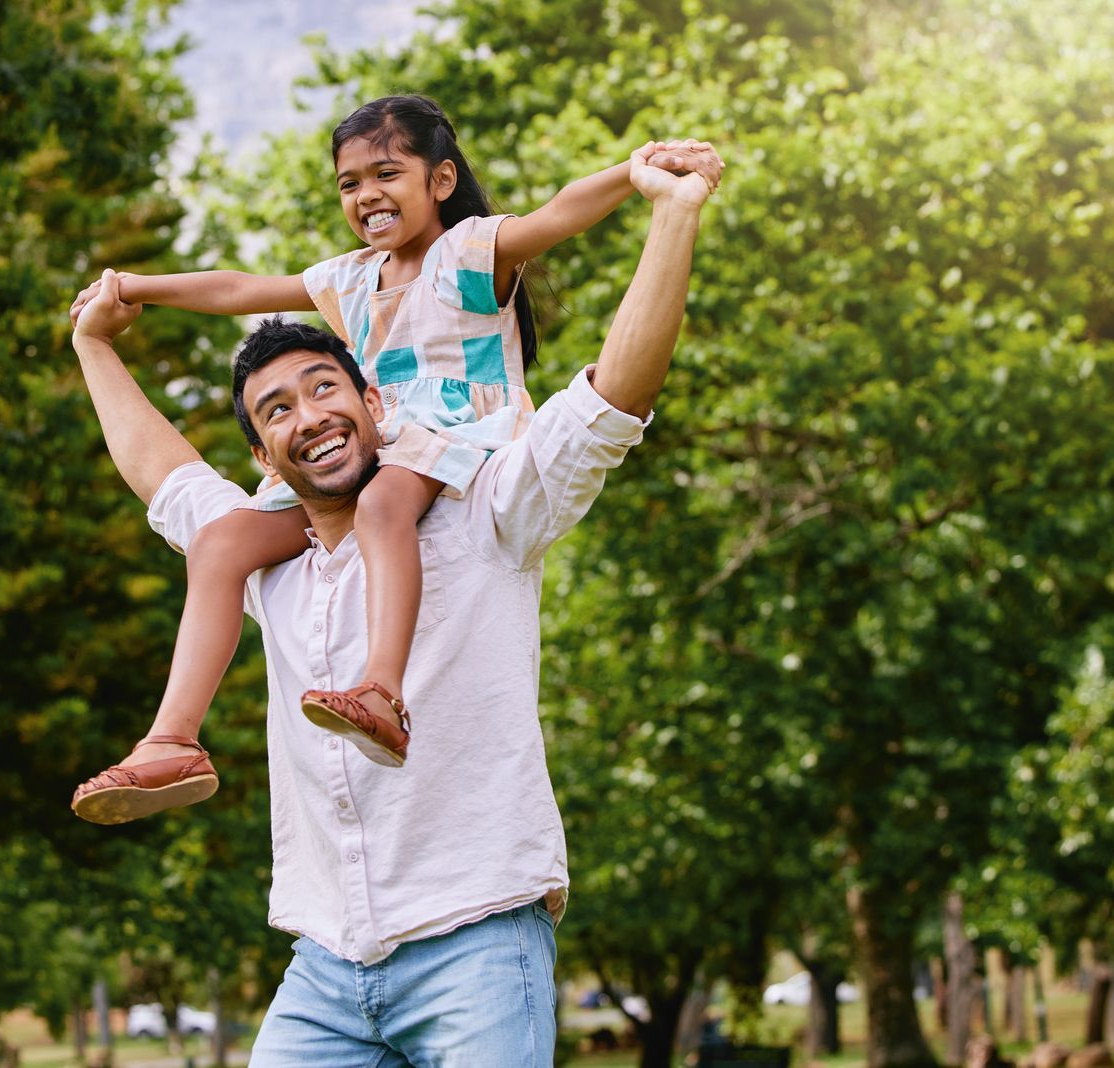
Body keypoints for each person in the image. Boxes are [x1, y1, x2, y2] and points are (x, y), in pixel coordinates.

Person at [66, 136, 715, 1063]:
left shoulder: (487, 510)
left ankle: (382, 689)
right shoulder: (274, 558)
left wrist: (668, 210)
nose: (307, 416)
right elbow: (163, 472)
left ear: (374, 402)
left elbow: (614, 396)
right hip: (324, 965)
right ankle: (171, 740)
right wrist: (99, 333)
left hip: (476, 944)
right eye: (276, 411)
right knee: (213, 541)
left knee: (380, 510)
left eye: (323, 388)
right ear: (263, 457)